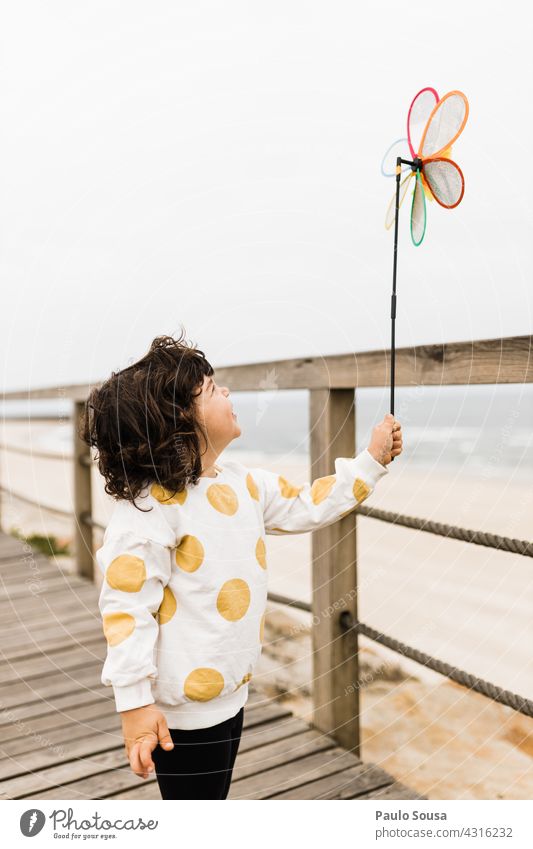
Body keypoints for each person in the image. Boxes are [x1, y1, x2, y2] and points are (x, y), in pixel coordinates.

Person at [79, 329, 403, 800]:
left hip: (231, 695)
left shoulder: (242, 482)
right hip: (182, 716)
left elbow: (306, 504)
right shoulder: (149, 510)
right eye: (211, 389)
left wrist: (371, 461)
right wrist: (135, 706)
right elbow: (126, 610)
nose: (226, 391)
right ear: (177, 422)